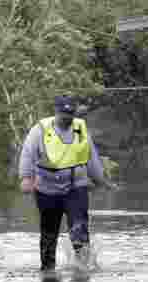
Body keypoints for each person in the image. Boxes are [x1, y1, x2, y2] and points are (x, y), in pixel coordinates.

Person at [19, 94, 117, 272]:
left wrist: (101, 181)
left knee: (79, 229)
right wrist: (27, 177)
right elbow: (28, 153)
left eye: (71, 113)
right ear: (56, 112)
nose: (68, 118)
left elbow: (91, 157)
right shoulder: (40, 129)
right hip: (47, 190)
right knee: (49, 233)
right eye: (64, 114)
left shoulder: (80, 128)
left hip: (75, 188)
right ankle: (48, 270)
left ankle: (84, 268)